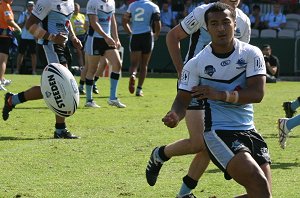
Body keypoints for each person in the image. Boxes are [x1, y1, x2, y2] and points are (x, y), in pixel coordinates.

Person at [162, 3, 272, 197]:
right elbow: (182, 99)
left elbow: (257, 94)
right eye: (214, 23)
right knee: (259, 185)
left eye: (225, 22)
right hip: (219, 133)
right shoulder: (195, 64)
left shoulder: (251, 53)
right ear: (207, 27)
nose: (221, 28)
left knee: (263, 195)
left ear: (235, 24)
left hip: (249, 130)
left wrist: (220, 94)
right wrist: (175, 114)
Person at [146, 0, 251, 197]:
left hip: (220, 90)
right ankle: (160, 154)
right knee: (199, 143)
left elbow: (242, 58)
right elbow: (173, 36)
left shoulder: (244, 21)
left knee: (209, 143)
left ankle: (184, 193)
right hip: (194, 84)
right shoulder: (203, 11)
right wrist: (180, 71)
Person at [2, 0, 82, 139]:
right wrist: (52, 37)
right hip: (48, 46)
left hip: (62, 46)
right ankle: (60, 130)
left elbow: (66, 23)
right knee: (61, 85)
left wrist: (73, 37)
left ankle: (12, 100)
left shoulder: (70, 2)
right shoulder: (47, 1)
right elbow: (30, 25)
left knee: (53, 87)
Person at [84, 0, 126, 108]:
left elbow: (113, 20)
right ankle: (89, 100)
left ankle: (113, 98)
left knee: (117, 64)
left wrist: (116, 38)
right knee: (92, 69)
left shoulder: (111, 2)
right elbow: (93, 23)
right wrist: (106, 37)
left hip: (108, 39)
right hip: (95, 40)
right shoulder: (93, 2)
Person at [122, 0, 161, 96]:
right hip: (147, 35)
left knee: (134, 64)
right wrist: (156, 34)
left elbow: (124, 21)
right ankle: (139, 89)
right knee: (144, 64)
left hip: (135, 35)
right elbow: (157, 23)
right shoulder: (153, 6)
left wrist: (129, 32)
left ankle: (133, 75)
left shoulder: (132, 5)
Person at [0, 0, 22, 90]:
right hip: (4, 36)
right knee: (2, 60)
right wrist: (18, 27)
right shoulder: (5, 5)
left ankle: (2, 78)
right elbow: (9, 21)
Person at [15, 1, 37, 75]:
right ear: (27, 7)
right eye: (29, 6)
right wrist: (25, 22)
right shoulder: (23, 14)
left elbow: (38, 26)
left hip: (32, 38)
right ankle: (17, 70)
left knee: (33, 54)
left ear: (34, 7)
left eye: (32, 6)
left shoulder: (36, 15)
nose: (30, 7)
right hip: (23, 37)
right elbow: (19, 26)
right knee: (21, 54)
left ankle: (34, 71)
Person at [70, 3, 87, 69]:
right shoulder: (71, 16)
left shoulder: (82, 16)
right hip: (76, 37)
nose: (76, 10)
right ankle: (82, 68)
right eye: (74, 9)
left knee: (85, 53)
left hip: (83, 36)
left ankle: (86, 67)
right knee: (79, 53)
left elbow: (86, 24)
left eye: (77, 8)